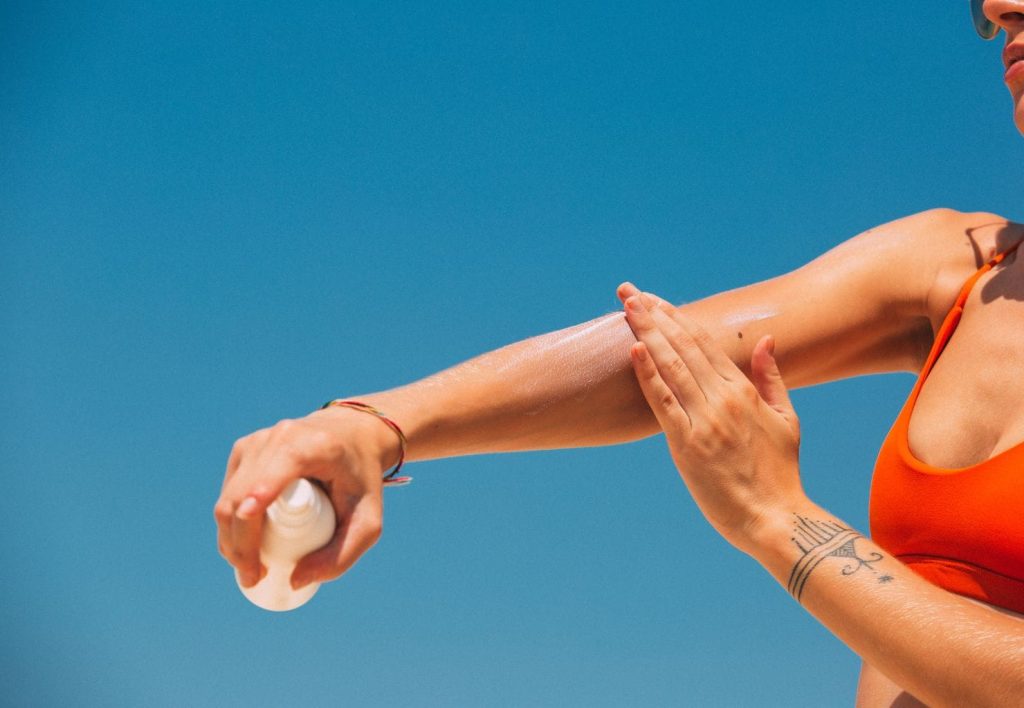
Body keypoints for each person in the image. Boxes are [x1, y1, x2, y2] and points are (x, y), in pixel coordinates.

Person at [216, 1, 1024, 704]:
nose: (998, 6)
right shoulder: (954, 269)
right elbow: (663, 359)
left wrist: (778, 520)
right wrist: (373, 425)